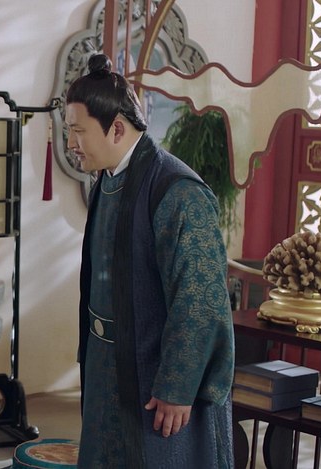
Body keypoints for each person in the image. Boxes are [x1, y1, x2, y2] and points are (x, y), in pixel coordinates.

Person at [66, 54, 235, 468]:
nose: (71, 143)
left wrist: (177, 387)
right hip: (108, 364)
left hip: (157, 376)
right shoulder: (108, 179)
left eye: (78, 131)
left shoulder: (178, 192)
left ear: (116, 128)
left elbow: (200, 300)